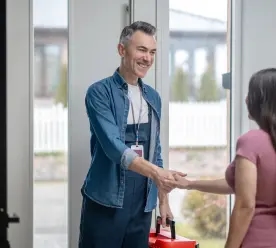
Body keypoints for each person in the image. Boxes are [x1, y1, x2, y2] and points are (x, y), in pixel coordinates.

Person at [78, 21, 183, 248]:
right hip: (106, 201)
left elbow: (156, 152)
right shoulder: (99, 92)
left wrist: (162, 200)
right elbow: (113, 147)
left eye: (152, 52)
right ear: (122, 50)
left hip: (142, 205)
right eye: (142, 50)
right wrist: (157, 173)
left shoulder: (153, 98)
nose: (148, 58)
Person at [166, 68, 276, 248]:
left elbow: (245, 204)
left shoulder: (252, 141)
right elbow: (241, 185)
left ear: (261, 101)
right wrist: (190, 184)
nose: (246, 99)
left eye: (251, 93)